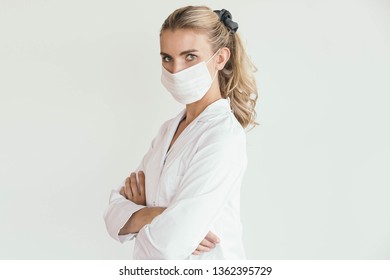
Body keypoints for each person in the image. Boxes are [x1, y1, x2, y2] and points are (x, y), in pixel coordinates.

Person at [104, 5, 258, 260]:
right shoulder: (168, 130)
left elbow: (168, 246)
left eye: (190, 57)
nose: (176, 70)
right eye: (167, 58)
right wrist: (156, 216)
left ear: (220, 58)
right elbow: (112, 215)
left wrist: (139, 216)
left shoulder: (223, 137)